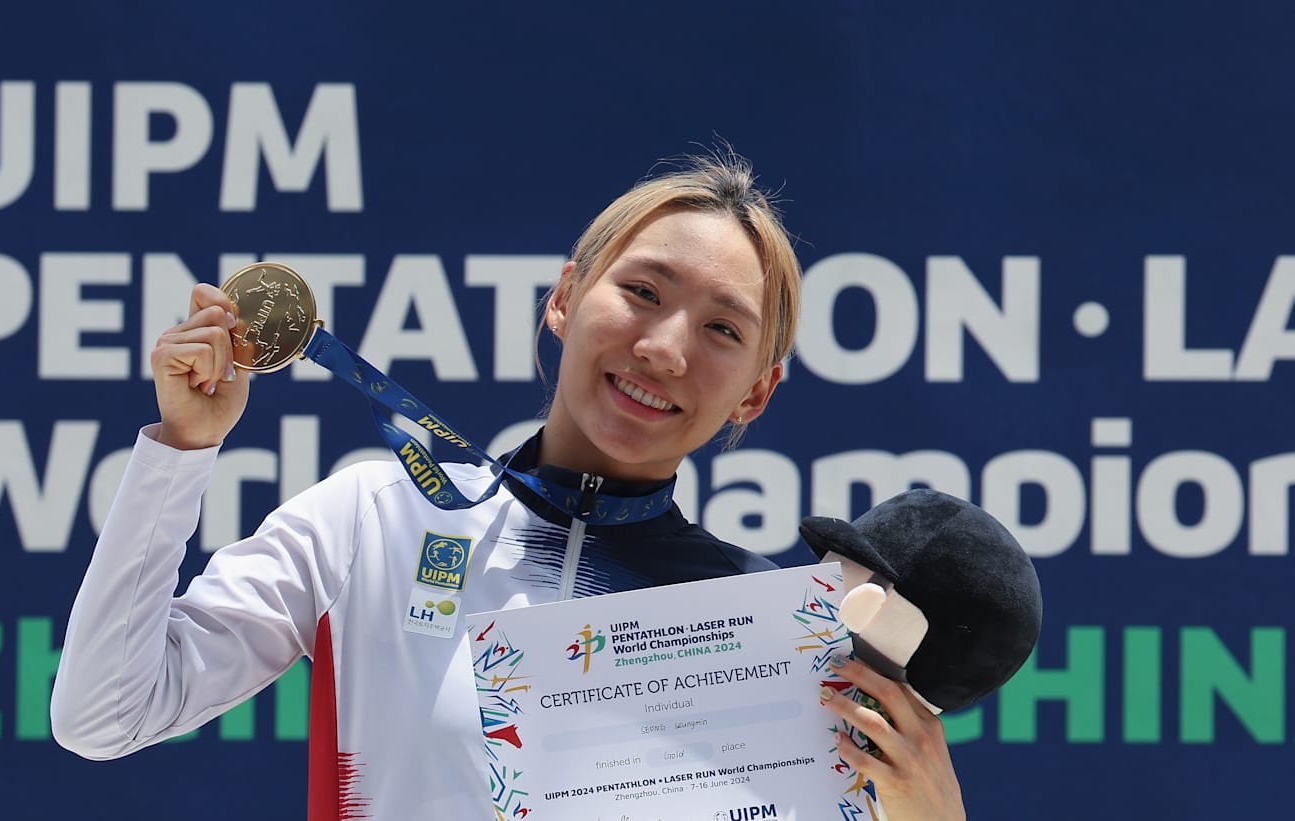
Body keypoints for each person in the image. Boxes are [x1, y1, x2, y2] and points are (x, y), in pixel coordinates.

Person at [50, 153, 965, 820]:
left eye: (723, 330)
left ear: (756, 393)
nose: (663, 348)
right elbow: (104, 713)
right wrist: (180, 449)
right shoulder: (372, 521)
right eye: (644, 291)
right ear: (564, 298)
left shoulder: (771, 634)